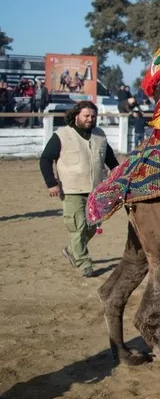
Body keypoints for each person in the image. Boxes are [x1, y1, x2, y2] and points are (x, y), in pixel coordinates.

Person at [38, 101, 119, 277]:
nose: (90, 119)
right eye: (86, 116)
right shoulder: (62, 135)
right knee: (77, 226)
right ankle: (84, 263)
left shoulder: (100, 135)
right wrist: (51, 183)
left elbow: (111, 160)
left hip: (96, 190)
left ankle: (71, 250)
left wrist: (119, 175)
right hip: (71, 189)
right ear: (76, 116)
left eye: (93, 116)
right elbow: (45, 159)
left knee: (92, 227)